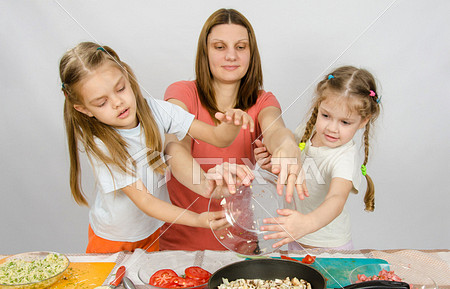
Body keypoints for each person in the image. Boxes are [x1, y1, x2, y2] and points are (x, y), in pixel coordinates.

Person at [59, 41, 254, 253]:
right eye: (101, 103)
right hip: (113, 239)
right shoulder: (102, 144)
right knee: (108, 287)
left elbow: (217, 137)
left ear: (127, 75)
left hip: (151, 231)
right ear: (83, 109)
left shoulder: (156, 110)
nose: (117, 102)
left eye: (121, 88)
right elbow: (145, 201)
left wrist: (233, 123)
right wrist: (197, 219)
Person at [160, 8, 306, 251]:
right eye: (219, 47)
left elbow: (276, 130)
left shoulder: (263, 101)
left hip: (240, 249)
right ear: (205, 53)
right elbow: (174, 146)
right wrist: (207, 184)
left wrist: (287, 145)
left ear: (251, 54)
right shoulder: (182, 92)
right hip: (179, 248)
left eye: (240, 47)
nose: (231, 56)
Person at [258, 66, 381, 249]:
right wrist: (274, 167)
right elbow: (298, 177)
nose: (332, 128)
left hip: (329, 247)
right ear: (318, 106)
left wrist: (306, 224)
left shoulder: (344, 158)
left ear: (363, 121)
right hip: (296, 237)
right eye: (326, 115)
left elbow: (336, 199)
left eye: (344, 122)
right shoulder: (306, 133)